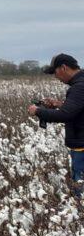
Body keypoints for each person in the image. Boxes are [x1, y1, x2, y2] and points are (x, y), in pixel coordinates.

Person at [29, 53, 84, 197]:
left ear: (64, 68)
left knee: (81, 188)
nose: (55, 77)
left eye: (55, 72)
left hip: (81, 146)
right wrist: (59, 104)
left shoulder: (79, 87)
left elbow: (65, 115)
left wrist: (38, 111)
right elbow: (77, 108)